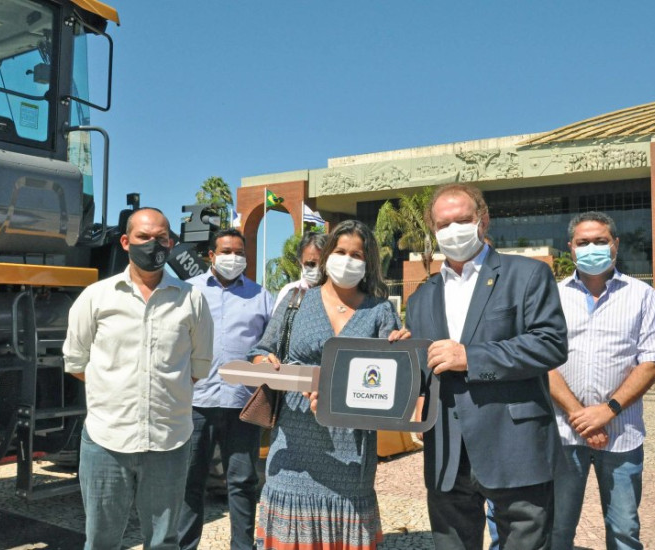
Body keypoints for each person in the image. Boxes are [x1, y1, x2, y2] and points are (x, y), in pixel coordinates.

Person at [399, 183, 569, 550]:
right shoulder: (422, 297)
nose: (453, 230)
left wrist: (471, 357)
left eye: (463, 219)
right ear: (433, 229)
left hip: (514, 446)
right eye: (443, 224)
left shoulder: (527, 275)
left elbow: (550, 344)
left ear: (483, 219)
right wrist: (399, 360)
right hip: (446, 451)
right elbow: (424, 369)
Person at [63, 207, 214, 550]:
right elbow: (76, 362)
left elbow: (197, 368)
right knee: (101, 540)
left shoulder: (192, 300)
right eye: (144, 237)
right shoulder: (96, 298)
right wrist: (115, 389)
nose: (153, 244)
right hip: (106, 441)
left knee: (163, 542)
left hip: (169, 442)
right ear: (126, 241)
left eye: (161, 237)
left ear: (172, 243)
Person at [248, 220, 401, 550]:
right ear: (328, 254)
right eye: (341, 251)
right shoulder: (297, 302)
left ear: (368, 262)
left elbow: (390, 382)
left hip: (350, 448)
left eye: (356, 254)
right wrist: (266, 365)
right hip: (294, 444)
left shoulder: (381, 311)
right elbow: (262, 350)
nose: (347, 260)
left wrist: (400, 350)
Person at [547, 211, 655, 550]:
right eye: (583, 242)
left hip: (622, 435)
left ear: (615, 245)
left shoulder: (642, 295)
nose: (592, 248)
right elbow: (542, 362)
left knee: (623, 531)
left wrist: (607, 411)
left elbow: (651, 363)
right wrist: (582, 416)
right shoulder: (552, 295)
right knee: (556, 530)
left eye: (600, 241)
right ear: (571, 249)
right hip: (563, 433)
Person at [179, 228, 274, 550]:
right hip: (196, 402)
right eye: (226, 251)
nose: (233, 258)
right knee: (189, 481)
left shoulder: (261, 296)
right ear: (211, 255)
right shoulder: (187, 291)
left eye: (239, 252)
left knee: (243, 482)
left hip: (242, 403)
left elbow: (271, 344)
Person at [272, 231, 327, 311]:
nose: (317, 269)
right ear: (300, 263)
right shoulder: (288, 293)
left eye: (322, 263)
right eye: (311, 264)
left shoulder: (340, 295)